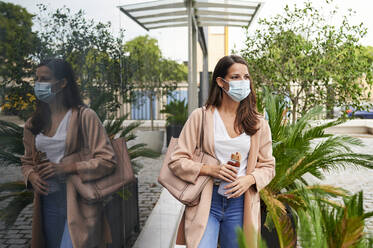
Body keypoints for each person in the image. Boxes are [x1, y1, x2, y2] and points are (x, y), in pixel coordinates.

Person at [169, 55, 275, 248]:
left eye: (246, 77)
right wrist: (210, 170)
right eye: (235, 77)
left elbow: (268, 166)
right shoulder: (200, 117)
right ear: (221, 82)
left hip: (240, 203)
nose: (243, 82)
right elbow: (177, 160)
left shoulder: (259, 123)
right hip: (206, 202)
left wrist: (249, 179)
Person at [21, 58, 116, 248]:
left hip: (79, 201)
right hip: (47, 201)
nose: (39, 84)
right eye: (37, 78)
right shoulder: (34, 123)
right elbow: (26, 161)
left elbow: (107, 160)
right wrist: (31, 176)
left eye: (45, 79)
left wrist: (66, 168)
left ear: (63, 83)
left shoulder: (84, 116)